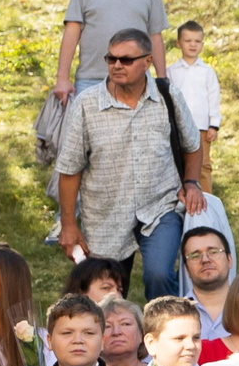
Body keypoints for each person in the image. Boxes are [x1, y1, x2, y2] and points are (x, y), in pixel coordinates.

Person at [55, 25, 206, 297]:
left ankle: (166, 324)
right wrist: (68, 225)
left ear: (147, 61)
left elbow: (193, 146)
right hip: (105, 216)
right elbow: (69, 170)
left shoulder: (168, 96)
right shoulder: (87, 105)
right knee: (105, 292)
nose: (116, 65)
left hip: (160, 207)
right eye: (111, 58)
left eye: (126, 60)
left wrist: (191, 183)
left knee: (160, 275)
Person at [167, 19, 223, 192]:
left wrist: (214, 125)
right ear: (178, 43)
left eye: (197, 41)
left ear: (202, 44)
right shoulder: (171, 71)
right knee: (179, 164)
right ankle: (182, 200)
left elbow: (214, 98)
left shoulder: (207, 72)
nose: (193, 45)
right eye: (188, 41)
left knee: (203, 165)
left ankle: (206, 199)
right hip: (179, 127)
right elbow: (168, 99)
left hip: (201, 128)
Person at [181, 225, 236, 340]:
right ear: (186, 270)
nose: (205, 260)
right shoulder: (173, 315)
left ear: (230, 260)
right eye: (195, 256)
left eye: (213, 252)